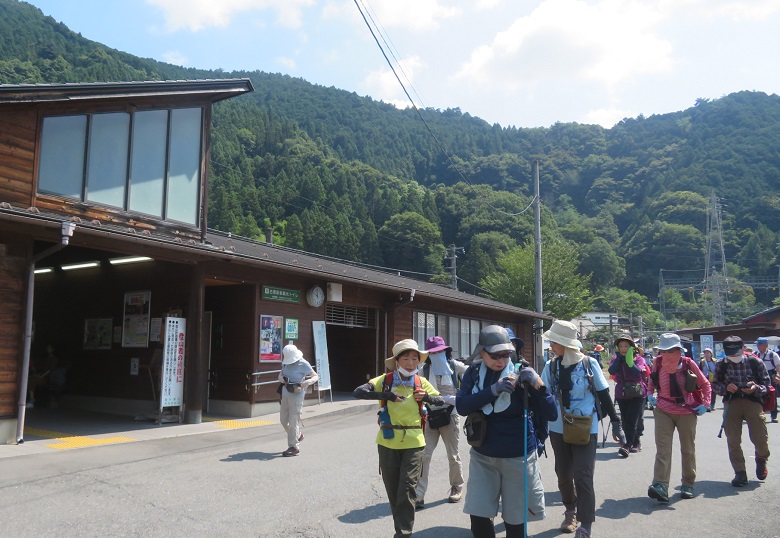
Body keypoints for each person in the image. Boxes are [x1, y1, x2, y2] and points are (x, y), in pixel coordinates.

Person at [456, 325, 557, 538]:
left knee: (515, 521)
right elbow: (462, 406)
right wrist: (492, 390)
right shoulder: (474, 373)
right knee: (479, 518)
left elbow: (551, 413)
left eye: (506, 354)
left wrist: (539, 385)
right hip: (483, 455)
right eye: (495, 355)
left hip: (519, 457)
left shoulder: (522, 374)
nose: (501, 360)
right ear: (481, 352)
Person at [541, 320, 626, 538]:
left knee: (583, 476)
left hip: (585, 426)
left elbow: (604, 394)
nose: (551, 345)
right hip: (558, 427)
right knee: (563, 474)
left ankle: (585, 524)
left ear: (565, 343)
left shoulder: (589, 364)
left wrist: (616, 424)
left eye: (554, 342)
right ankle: (570, 510)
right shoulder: (551, 366)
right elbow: (543, 397)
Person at [353, 339, 444, 538]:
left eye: (415, 359)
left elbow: (440, 399)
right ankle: (400, 529)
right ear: (397, 361)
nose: (411, 363)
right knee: (393, 490)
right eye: (406, 359)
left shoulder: (421, 382)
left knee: (407, 488)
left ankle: (404, 533)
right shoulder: (385, 380)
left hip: (415, 442)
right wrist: (387, 395)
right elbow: (358, 392)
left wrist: (426, 397)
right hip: (387, 440)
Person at [646, 333, 711, 502]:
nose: (668, 354)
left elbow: (705, 384)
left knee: (688, 449)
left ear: (679, 350)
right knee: (663, 449)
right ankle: (660, 485)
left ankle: (688, 484)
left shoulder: (688, 363)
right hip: (663, 409)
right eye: (664, 350)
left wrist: (705, 404)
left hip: (686, 412)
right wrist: (649, 394)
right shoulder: (657, 362)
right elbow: (652, 381)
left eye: (672, 350)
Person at [711, 335, 771, 487]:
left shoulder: (755, 362)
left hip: (753, 401)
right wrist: (726, 388)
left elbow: (767, 384)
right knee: (733, 440)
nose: (734, 357)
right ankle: (740, 472)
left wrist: (755, 388)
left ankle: (761, 458)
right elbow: (715, 385)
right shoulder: (721, 364)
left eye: (736, 353)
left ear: (743, 348)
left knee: (760, 438)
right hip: (731, 402)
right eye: (730, 354)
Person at [416, 335, 468, 508]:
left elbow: (471, 372)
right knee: (424, 455)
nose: (436, 355)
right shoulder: (424, 370)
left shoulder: (454, 365)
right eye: (432, 352)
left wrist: (463, 397)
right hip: (430, 415)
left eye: (439, 351)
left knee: (453, 455)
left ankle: (456, 487)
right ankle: (418, 494)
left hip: (450, 414)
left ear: (445, 351)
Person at [608, 333, 649, 456]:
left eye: (626, 346)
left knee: (633, 419)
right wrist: (619, 359)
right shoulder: (616, 359)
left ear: (631, 347)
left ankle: (628, 445)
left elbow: (637, 372)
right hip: (622, 393)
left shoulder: (638, 359)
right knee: (625, 420)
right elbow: (611, 371)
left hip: (636, 392)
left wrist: (630, 361)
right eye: (621, 346)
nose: (623, 349)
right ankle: (633, 442)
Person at [278, 344, 319, 457]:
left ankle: (294, 447)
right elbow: (281, 374)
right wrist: (281, 378)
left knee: (293, 421)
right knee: (283, 420)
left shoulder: (303, 363)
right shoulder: (286, 363)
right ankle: (298, 435)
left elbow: (315, 376)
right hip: (285, 393)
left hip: (297, 396)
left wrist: (308, 382)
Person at [755, 336, 780, 423]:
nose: (758, 346)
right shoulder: (755, 354)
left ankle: (774, 416)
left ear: (766, 345)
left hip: (770, 376)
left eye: (760, 344)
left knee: (772, 396)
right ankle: (759, 415)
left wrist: (778, 376)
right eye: (758, 344)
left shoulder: (773, 355)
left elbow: (778, 366)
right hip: (759, 376)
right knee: (758, 395)